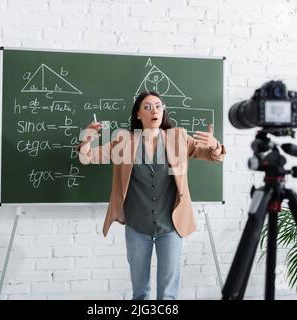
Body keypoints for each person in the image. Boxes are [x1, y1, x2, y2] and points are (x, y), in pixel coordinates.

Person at [77, 91, 226, 300]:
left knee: (168, 294)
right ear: (138, 114)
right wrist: (87, 140)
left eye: (158, 105)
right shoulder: (123, 142)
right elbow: (88, 158)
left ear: (163, 110)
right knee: (140, 293)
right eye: (147, 107)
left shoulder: (179, 138)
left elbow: (213, 156)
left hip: (171, 227)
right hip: (137, 228)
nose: (154, 110)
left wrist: (215, 146)